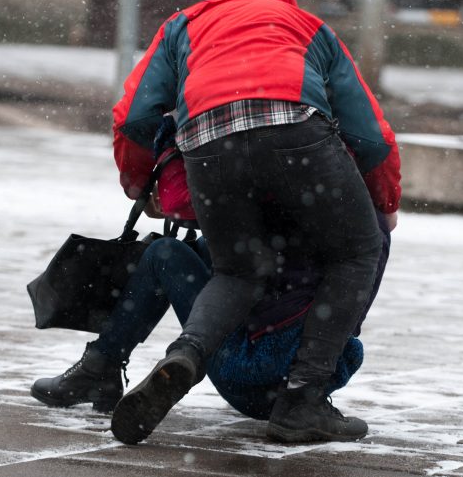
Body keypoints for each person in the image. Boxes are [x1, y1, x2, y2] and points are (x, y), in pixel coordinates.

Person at [109, 0, 401, 444]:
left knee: (239, 269)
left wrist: (136, 181)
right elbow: (371, 135)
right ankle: (303, 400)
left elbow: (136, 116)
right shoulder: (307, 27)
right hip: (295, 128)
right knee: (360, 249)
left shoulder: (185, 23)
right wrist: (386, 202)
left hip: (207, 138)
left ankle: (186, 354)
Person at [31, 136, 392, 426]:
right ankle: (302, 405)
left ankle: (102, 365)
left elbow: (180, 199)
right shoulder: (369, 230)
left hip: (245, 373)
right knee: (213, 254)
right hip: (311, 379)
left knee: (165, 255)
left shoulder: (272, 194)